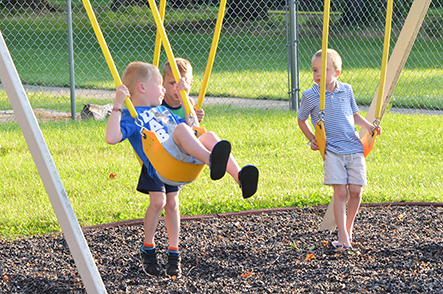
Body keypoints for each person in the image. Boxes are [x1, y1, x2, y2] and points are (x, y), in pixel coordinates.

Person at [106, 61, 259, 277]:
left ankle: (240, 177)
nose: (162, 89)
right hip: (161, 161)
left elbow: (192, 128)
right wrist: (118, 104)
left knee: (208, 135)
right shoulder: (133, 116)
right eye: (159, 84)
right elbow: (111, 138)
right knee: (159, 201)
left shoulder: (161, 111)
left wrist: (188, 105)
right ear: (141, 88)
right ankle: (211, 160)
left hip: (179, 159)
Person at [297, 49, 381, 252]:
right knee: (340, 192)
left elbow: (354, 115)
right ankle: (343, 238)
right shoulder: (310, 96)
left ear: (337, 73)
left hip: (353, 146)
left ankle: (348, 230)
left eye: (323, 70)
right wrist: (312, 140)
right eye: (315, 70)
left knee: (356, 191)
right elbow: (301, 119)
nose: (317, 75)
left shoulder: (347, 90)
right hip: (332, 149)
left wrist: (370, 126)